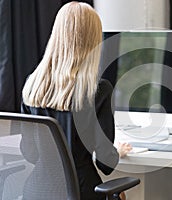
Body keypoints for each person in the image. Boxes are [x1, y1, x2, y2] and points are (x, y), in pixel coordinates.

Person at [21, 2, 132, 200]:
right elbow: (106, 164)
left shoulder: (32, 87)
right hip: (80, 191)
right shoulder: (97, 90)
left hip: (36, 192)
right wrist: (117, 152)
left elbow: (30, 154)